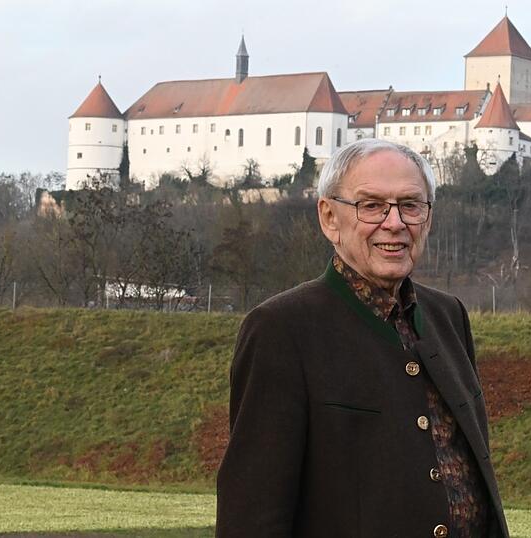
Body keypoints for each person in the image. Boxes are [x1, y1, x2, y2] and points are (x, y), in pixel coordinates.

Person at [216, 139, 509, 537]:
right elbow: (252, 517)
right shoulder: (281, 329)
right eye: (371, 205)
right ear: (329, 217)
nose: (394, 222)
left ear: (428, 217)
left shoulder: (449, 316)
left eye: (410, 205)